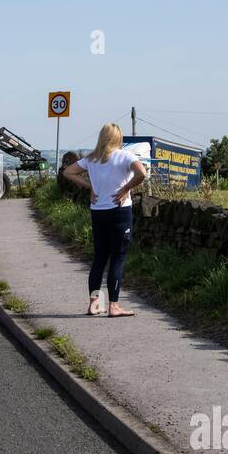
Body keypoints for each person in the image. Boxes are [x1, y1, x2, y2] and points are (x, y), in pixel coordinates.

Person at [61, 123, 147, 317]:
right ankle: (113, 306)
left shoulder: (92, 158)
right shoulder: (125, 156)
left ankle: (94, 304)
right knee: (117, 259)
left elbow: (68, 172)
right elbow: (142, 173)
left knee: (99, 259)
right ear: (118, 138)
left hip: (98, 212)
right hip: (119, 212)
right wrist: (126, 189)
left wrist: (89, 186)